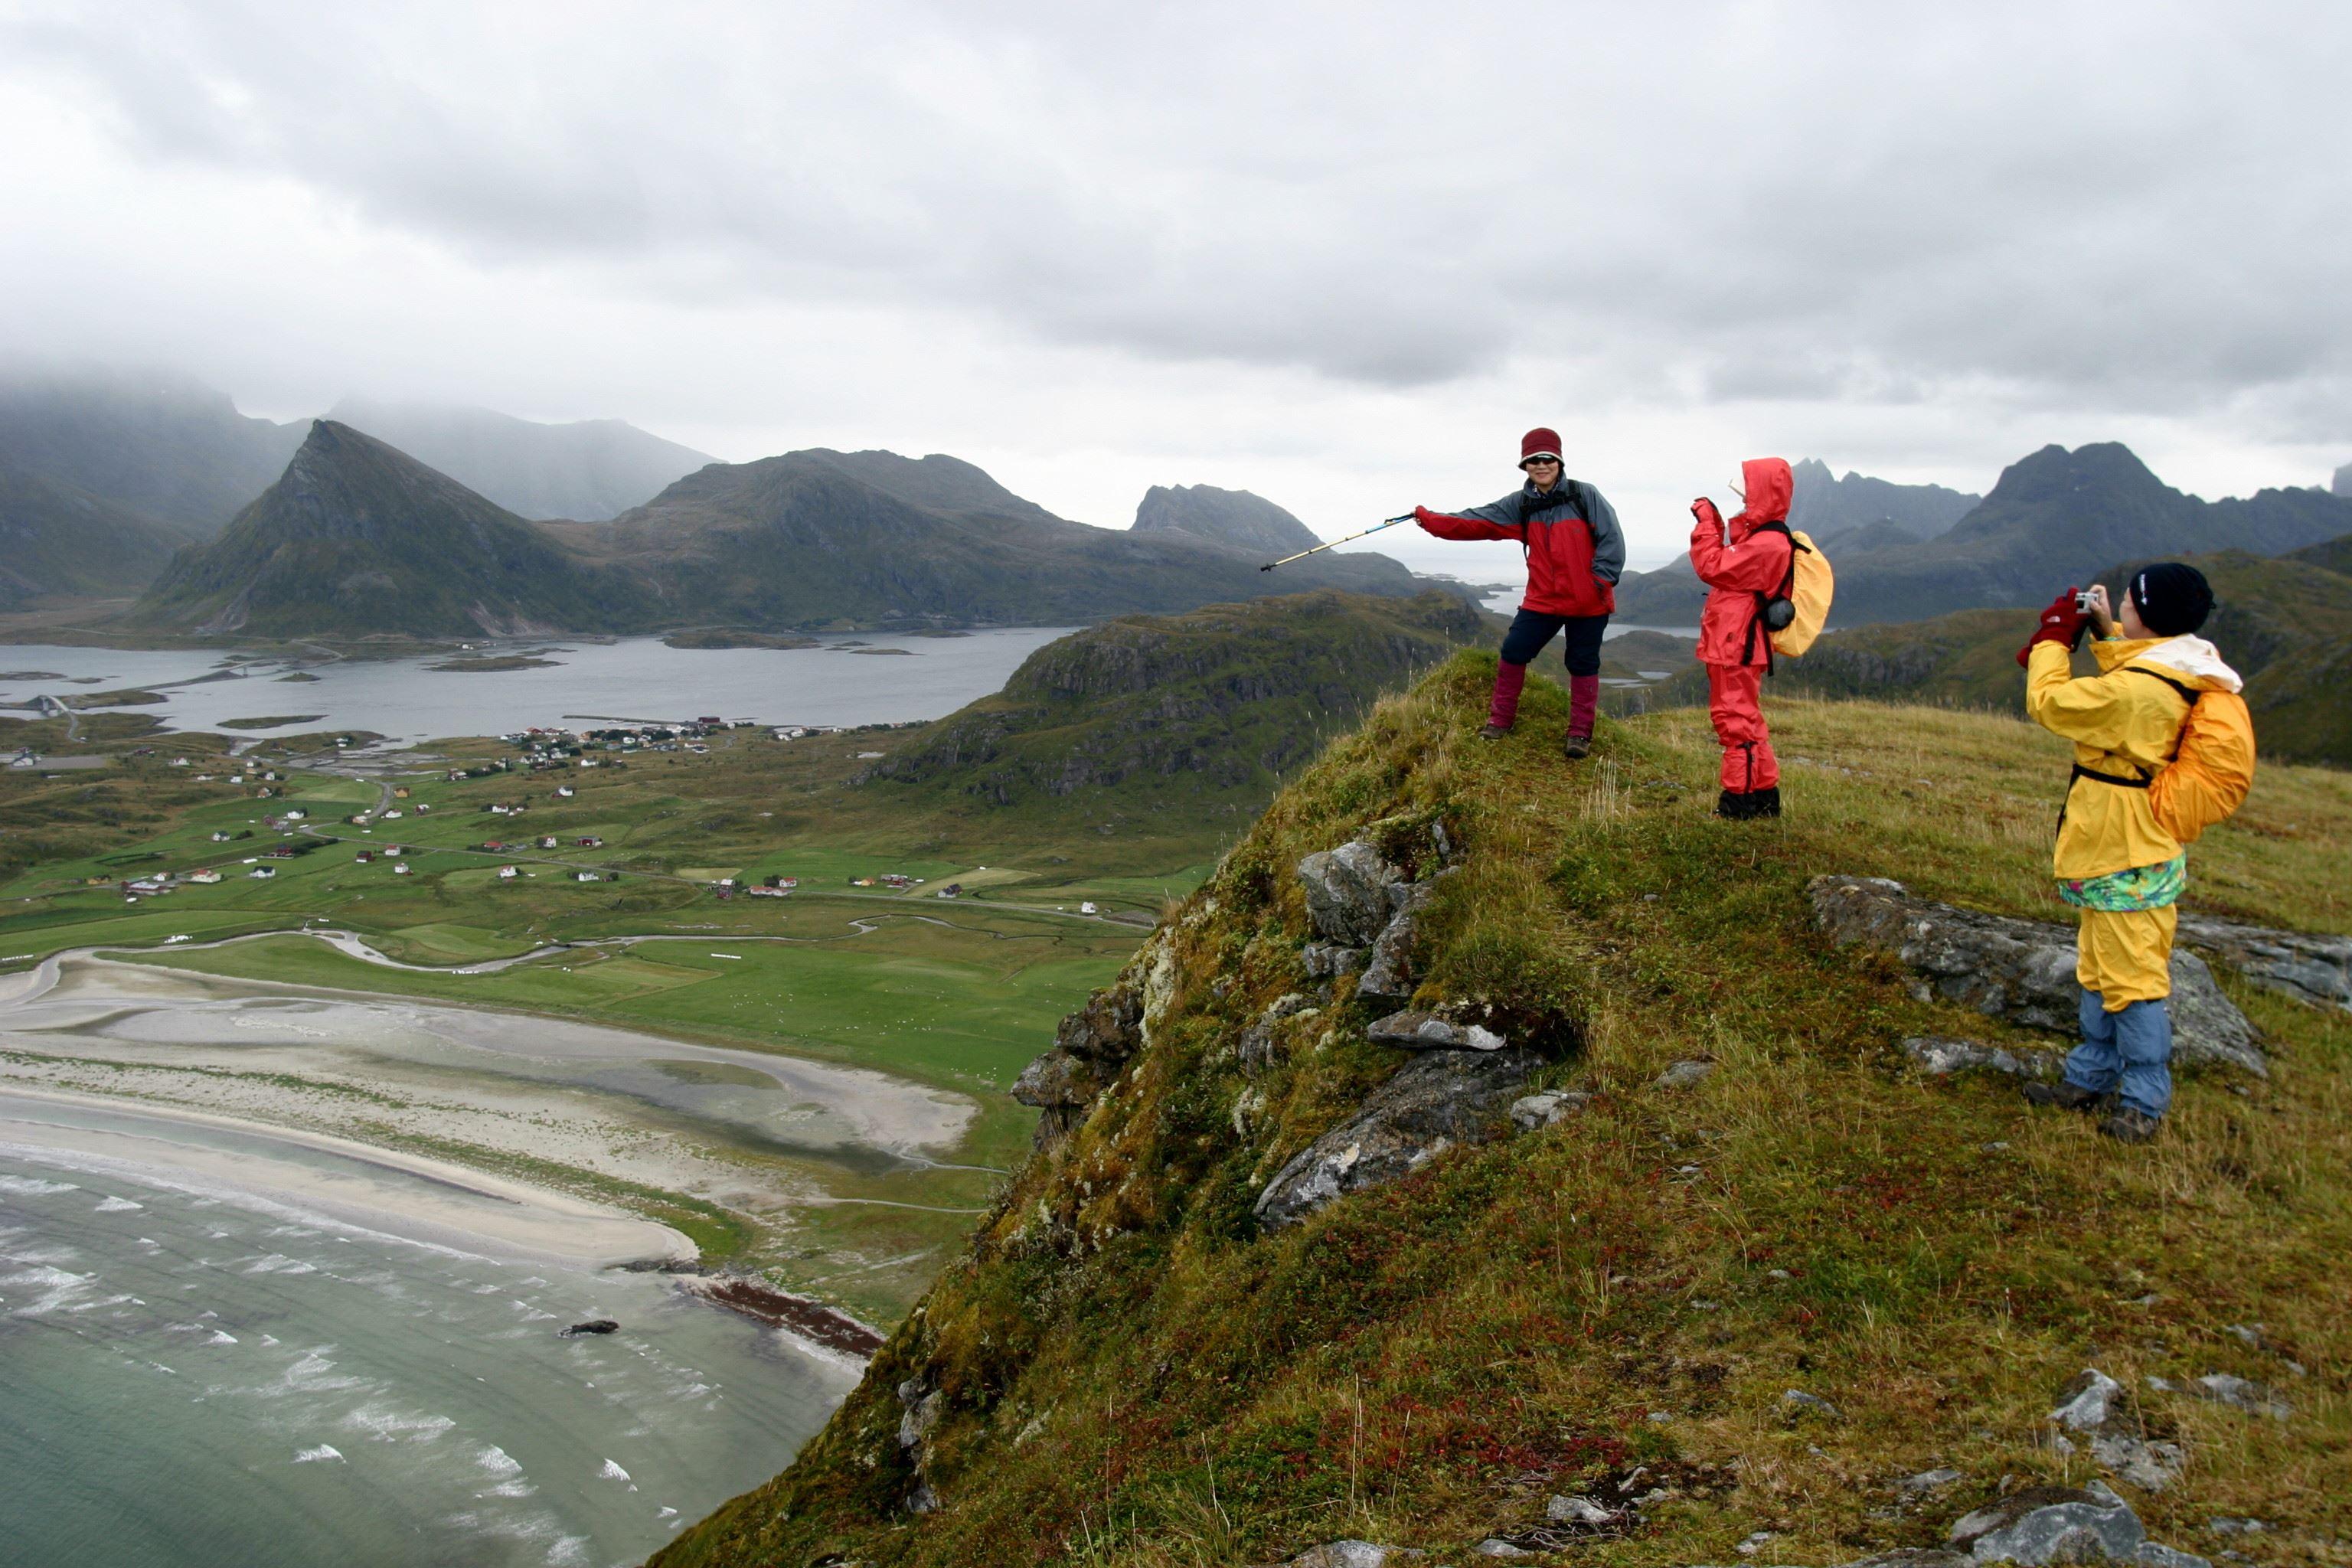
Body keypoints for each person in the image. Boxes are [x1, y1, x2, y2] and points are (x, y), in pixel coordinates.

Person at [2014, 562, 2239, 1144]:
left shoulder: (2138, 690)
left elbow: (2051, 703)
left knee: (2133, 981)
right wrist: (2109, 632)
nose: (2125, 612)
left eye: (2131, 607)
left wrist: (2053, 640)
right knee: (2099, 967)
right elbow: (2137, 678)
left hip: (2122, 848)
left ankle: (2143, 1100)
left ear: (2151, 615)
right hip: (2124, 843)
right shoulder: (2180, 661)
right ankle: (2090, 1076)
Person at [1413, 427, 1625, 757]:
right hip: (1543, 599)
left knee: (1582, 663)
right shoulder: (1521, 504)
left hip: (1588, 601)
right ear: (1525, 466)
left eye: (1547, 459)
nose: (1541, 466)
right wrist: (1430, 520)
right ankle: (1501, 720)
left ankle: (1579, 734)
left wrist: (1599, 582)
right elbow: (1475, 521)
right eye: (1533, 461)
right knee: (1514, 651)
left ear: (1559, 461)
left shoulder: (1585, 496)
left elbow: (1612, 540)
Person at [1688, 459, 1796, 819]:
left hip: (1736, 643)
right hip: (1737, 640)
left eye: (1749, 493)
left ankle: (1737, 804)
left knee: (1733, 719)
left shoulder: (1768, 543)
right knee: (1747, 719)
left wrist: (1708, 524)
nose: (1744, 500)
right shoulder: (1768, 538)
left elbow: (1711, 566)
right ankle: (1764, 797)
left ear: (1764, 495)